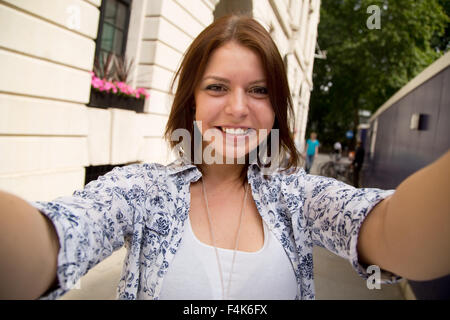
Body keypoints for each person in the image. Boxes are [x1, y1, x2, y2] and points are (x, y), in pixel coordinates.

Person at [1, 15, 449, 300]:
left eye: (259, 90)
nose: (238, 107)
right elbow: (51, 245)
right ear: (191, 102)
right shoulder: (138, 190)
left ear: (275, 109)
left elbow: (394, 236)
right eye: (217, 87)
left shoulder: (298, 197)